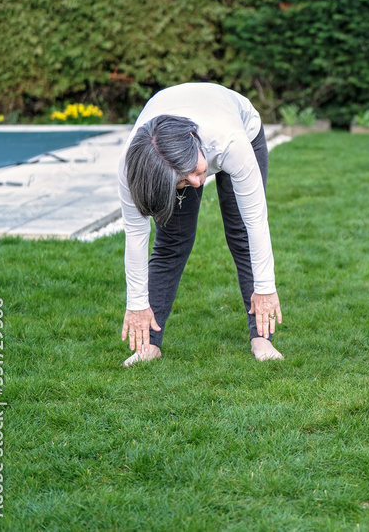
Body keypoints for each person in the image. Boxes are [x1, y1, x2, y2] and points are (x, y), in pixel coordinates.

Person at [118, 83, 284, 367]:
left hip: (240, 125)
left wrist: (266, 288)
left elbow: (255, 220)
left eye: (195, 173)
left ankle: (261, 337)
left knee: (242, 234)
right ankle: (149, 345)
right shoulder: (135, 167)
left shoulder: (231, 142)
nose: (197, 184)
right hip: (176, 152)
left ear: (195, 141)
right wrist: (136, 305)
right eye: (185, 181)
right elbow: (135, 234)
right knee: (171, 242)